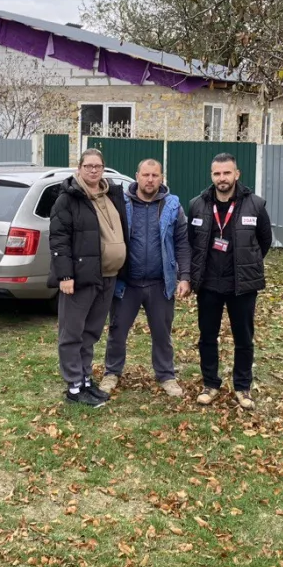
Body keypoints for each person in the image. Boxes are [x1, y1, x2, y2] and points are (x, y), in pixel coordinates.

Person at [100, 159, 191, 398]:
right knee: (117, 330)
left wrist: (184, 277)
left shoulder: (172, 206)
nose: (150, 180)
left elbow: (182, 243)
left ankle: (166, 375)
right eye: (145, 175)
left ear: (162, 178)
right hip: (126, 283)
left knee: (162, 332)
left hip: (160, 283)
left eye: (155, 175)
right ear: (136, 176)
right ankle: (111, 372)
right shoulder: (122, 203)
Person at [188, 153, 272, 410]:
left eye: (227, 173)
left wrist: (247, 265)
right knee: (207, 337)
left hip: (242, 285)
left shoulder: (255, 205)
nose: (222, 178)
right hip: (209, 285)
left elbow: (264, 241)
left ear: (237, 174)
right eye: (217, 174)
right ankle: (210, 383)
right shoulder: (197, 204)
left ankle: (243, 387)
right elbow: (192, 241)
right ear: (211, 176)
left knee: (244, 338)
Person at [48, 149, 129, 407]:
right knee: (72, 333)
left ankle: (84, 379)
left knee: (91, 333)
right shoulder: (68, 199)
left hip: (107, 276)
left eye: (98, 166)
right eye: (88, 166)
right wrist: (65, 275)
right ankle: (73, 387)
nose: (93, 170)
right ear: (79, 168)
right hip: (80, 278)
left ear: (103, 169)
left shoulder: (111, 195)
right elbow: (59, 239)